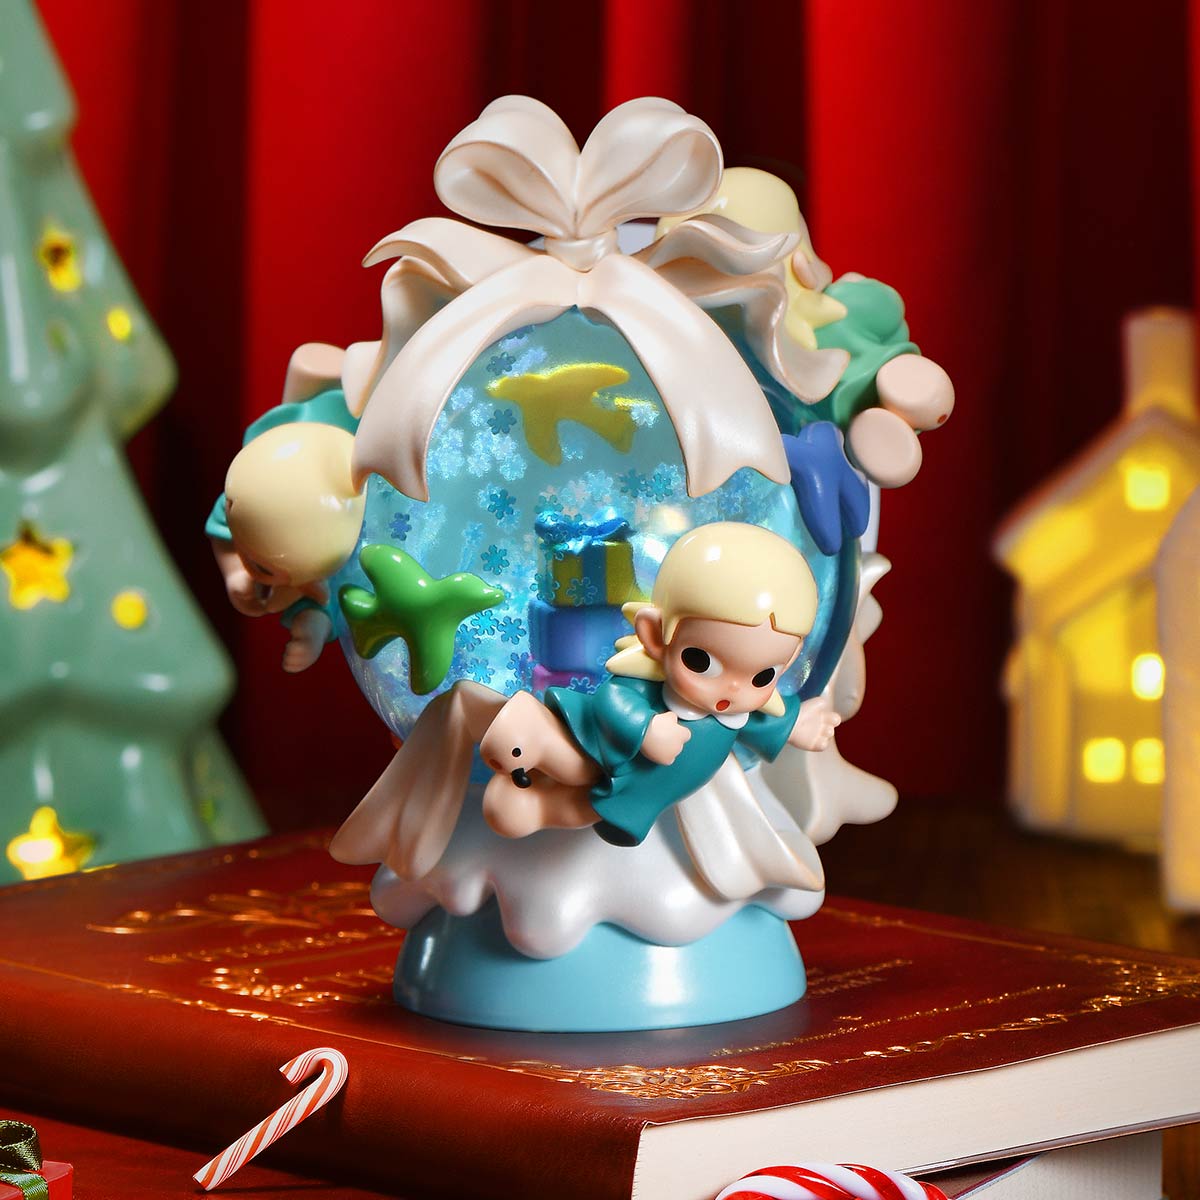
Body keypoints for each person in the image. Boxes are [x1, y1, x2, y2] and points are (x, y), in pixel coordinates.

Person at [478, 522, 839, 844]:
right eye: (700, 661)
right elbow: (613, 698)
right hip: (619, 752)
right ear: (654, 634)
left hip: (646, 790)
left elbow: (764, 721)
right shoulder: (646, 687)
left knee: (591, 808)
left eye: (761, 676)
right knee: (580, 767)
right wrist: (645, 728)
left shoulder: (740, 713)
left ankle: (534, 807)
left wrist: (796, 725)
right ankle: (531, 727)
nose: (731, 690)